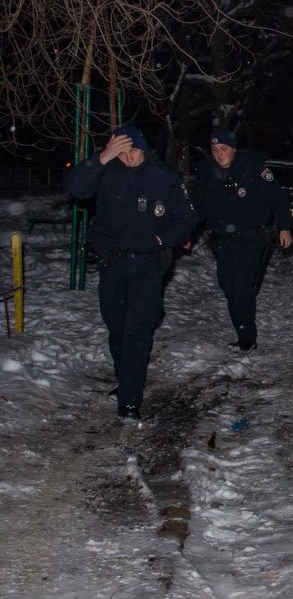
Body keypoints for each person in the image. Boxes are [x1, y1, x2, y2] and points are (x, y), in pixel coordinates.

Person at [64, 125, 197, 421]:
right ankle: (126, 379)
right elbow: (75, 188)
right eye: (121, 152)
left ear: (143, 149)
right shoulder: (106, 172)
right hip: (113, 263)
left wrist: (162, 240)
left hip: (148, 266)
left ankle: (129, 400)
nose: (128, 157)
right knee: (117, 327)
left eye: (133, 151)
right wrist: (103, 157)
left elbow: (186, 218)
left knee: (137, 331)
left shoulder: (164, 178)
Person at [191, 128, 293, 351]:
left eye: (224, 149)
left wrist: (284, 227)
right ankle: (242, 327)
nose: (219, 154)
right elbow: (197, 205)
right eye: (215, 150)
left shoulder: (252, 167)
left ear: (234, 149)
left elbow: (277, 196)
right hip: (222, 238)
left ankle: (247, 336)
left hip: (250, 236)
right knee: (228, 285)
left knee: (240, 284)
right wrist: (187, 232)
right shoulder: (206, 171)